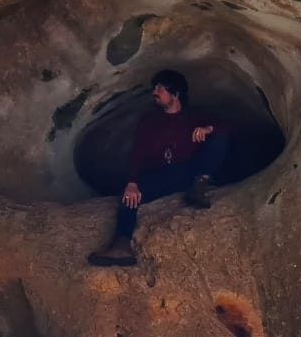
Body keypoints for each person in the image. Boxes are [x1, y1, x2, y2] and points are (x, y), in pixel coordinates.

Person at [88, 69, 228, 266]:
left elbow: (229, 127)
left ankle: (200, 187)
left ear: (176, 93)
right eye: (155, 88)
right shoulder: (150, 121)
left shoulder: (195, 117)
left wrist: (208, 129)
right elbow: (138, 153)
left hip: (191, 172)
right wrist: (132, 182)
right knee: (129, 195)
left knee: (219, 139)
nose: (155, 92)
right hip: (164, 176)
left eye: (161, 88)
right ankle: (121, 247)